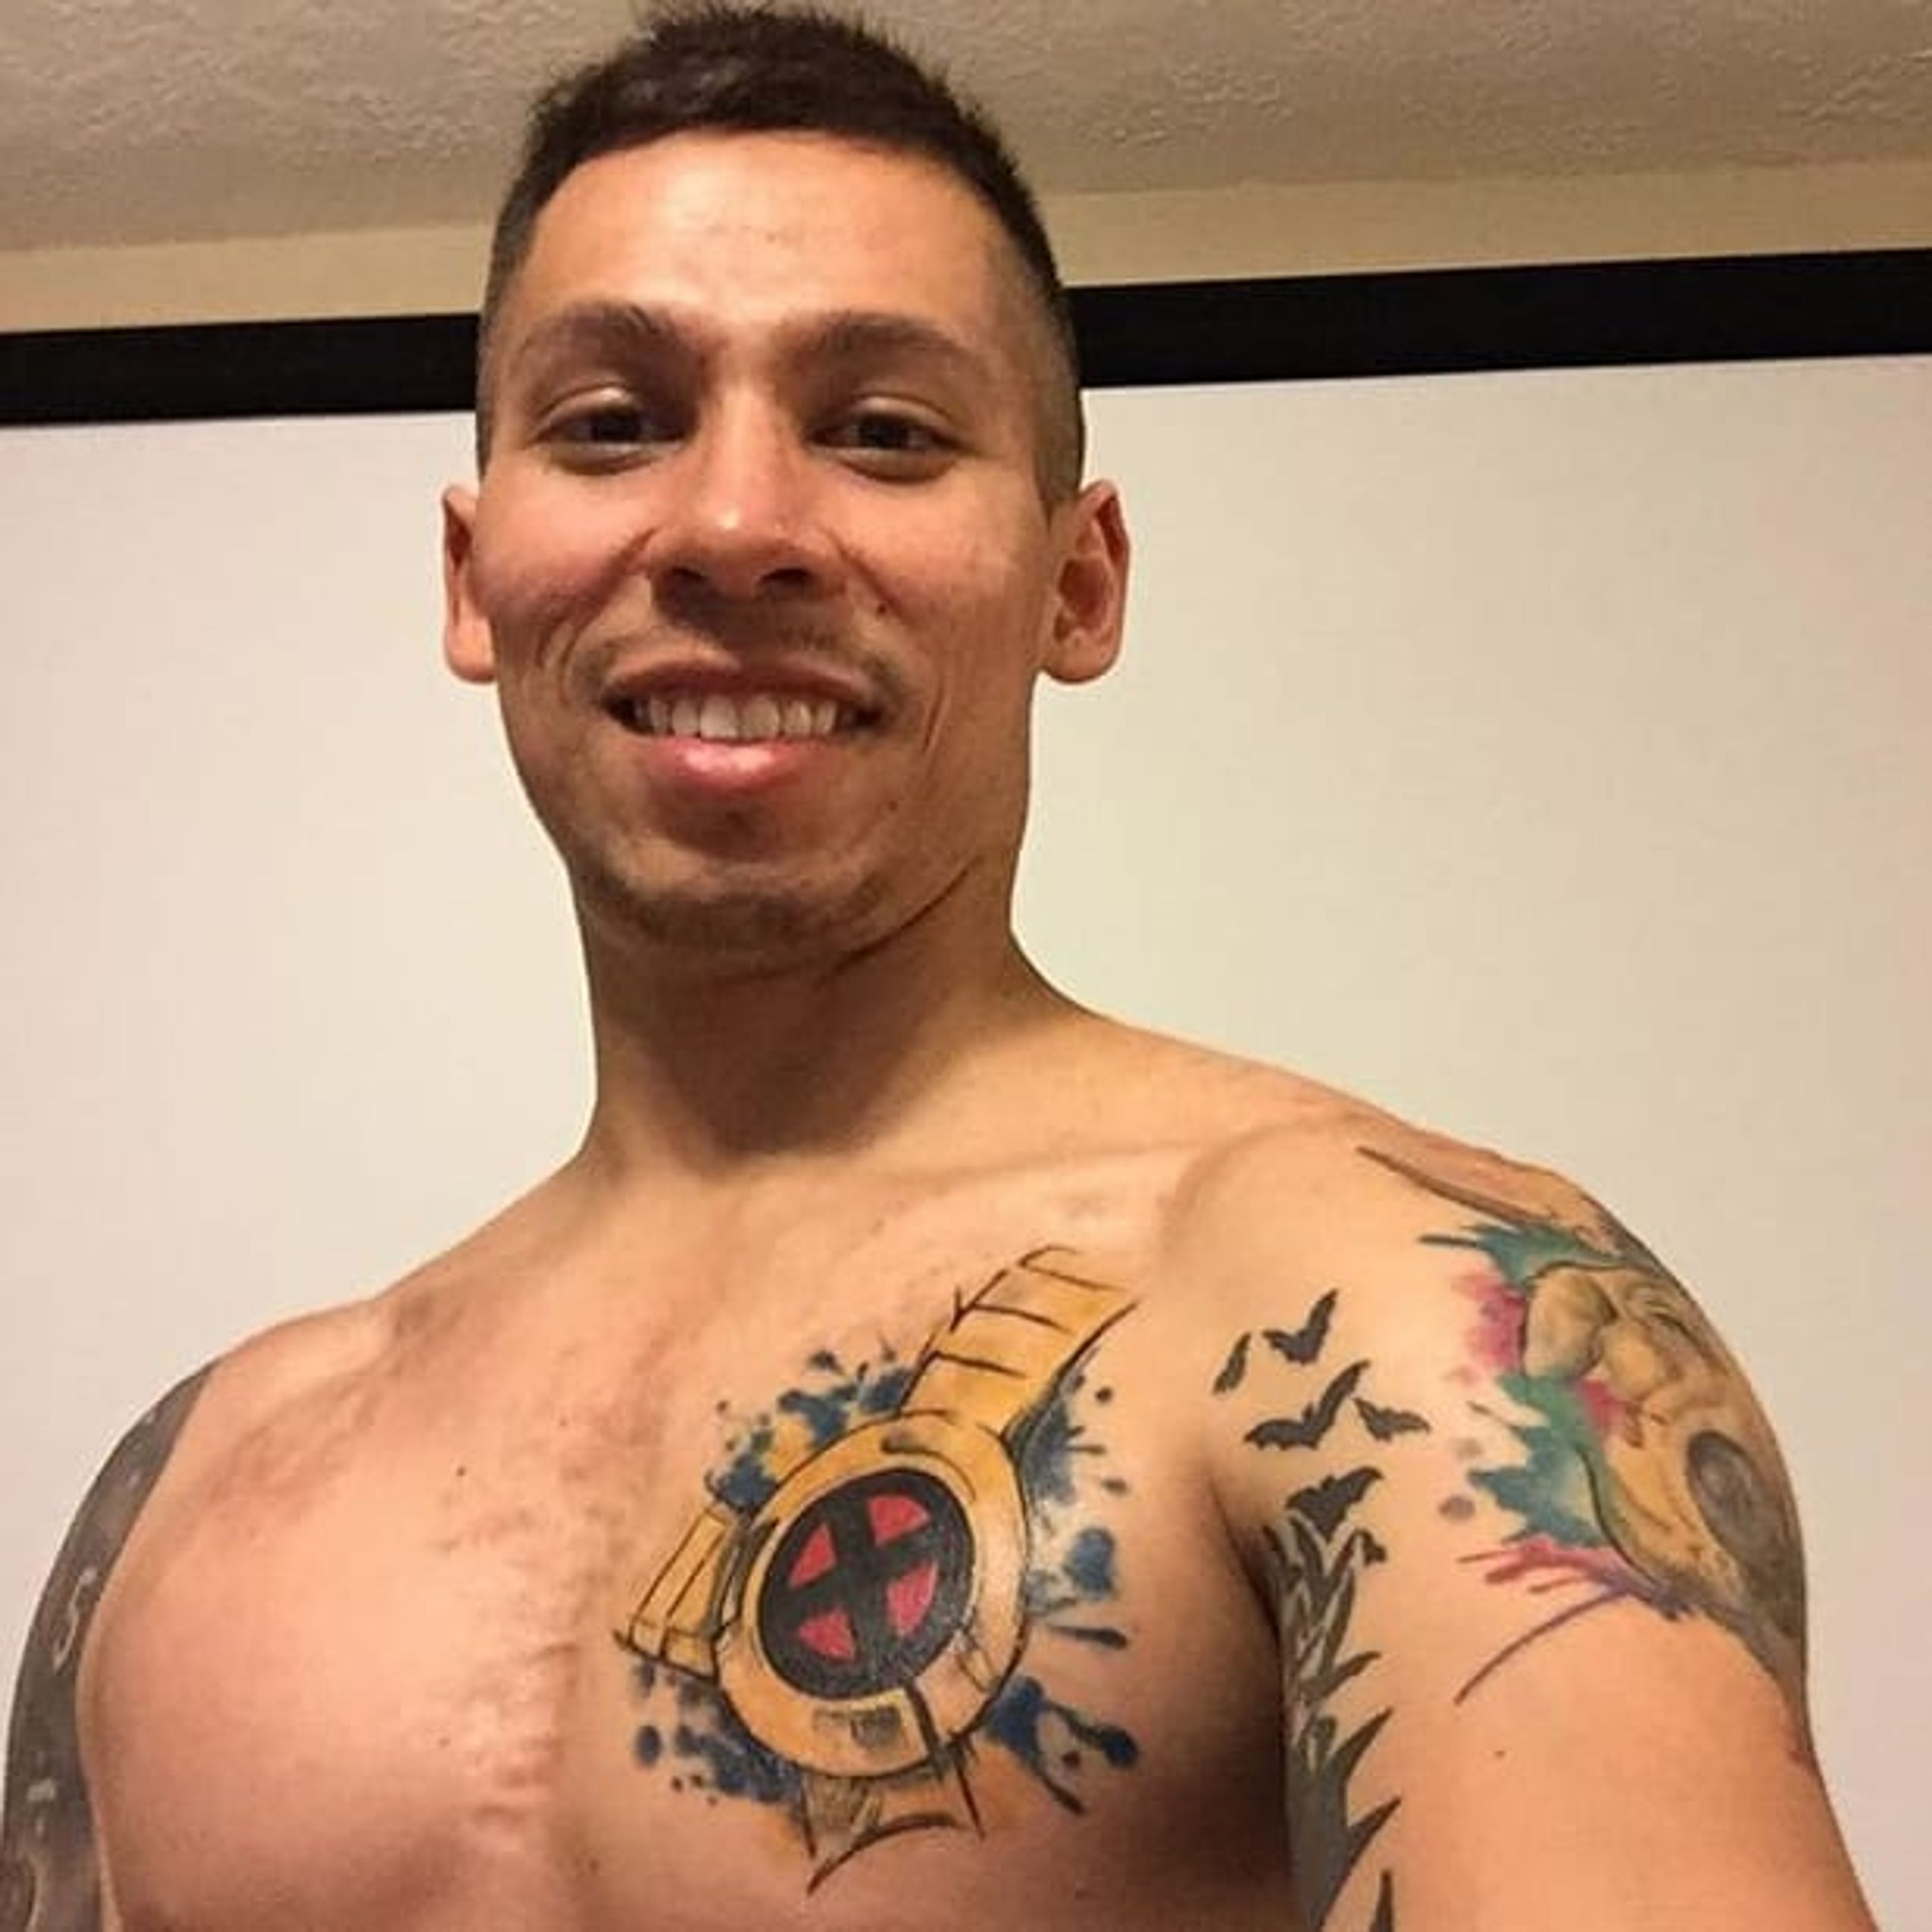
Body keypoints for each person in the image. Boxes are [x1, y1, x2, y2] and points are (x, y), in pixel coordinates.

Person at [0, 7, 1881, 1929]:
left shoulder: (1379, 1319)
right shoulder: (199, 1484)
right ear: (474, 576)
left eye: (884, 431)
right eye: (614, 422)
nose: (735, 526)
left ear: (1080, 580)